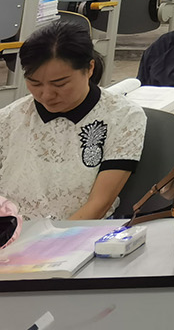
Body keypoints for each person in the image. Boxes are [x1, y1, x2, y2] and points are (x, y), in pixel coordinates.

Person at [0, 23, 146, 219]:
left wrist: (55, 238)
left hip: (79, 231)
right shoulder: (10, 118)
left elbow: (99, 204)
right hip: (11, 230)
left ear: (89, 68)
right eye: (35, 83)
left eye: (60, 84)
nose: (46, 95)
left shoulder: (123, 117)